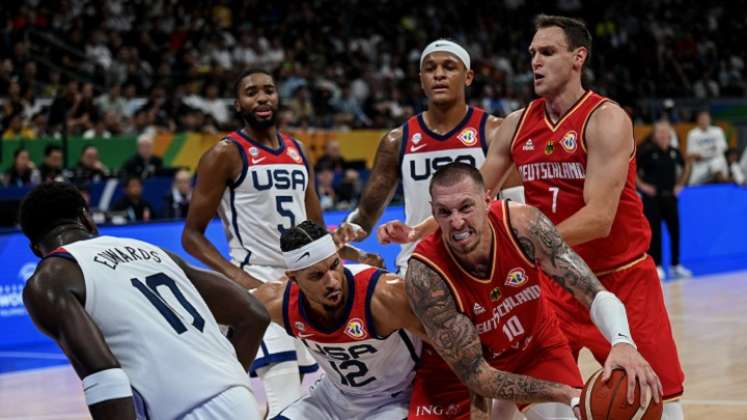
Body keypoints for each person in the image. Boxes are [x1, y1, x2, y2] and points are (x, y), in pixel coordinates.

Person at [391, 15, 686, 419]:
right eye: (532, 53)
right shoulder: (516, 124)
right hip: (553, 282)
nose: (535, 62)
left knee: (656, 400)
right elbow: (475, 194)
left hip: (621, 275)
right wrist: (417, 228)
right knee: (522, 400)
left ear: (578, 57)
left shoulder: (605, 119)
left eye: (547, 52)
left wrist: (526, 246)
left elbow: (599, 218)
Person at [182, 68, 374, 418]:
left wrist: (351, 253)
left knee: (296, 397)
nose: (262, 98)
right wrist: (240, 279)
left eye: (268, 90)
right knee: (285, 392)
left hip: (303, 285)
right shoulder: (224, 154)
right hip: (258, 284)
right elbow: (191, 236)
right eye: (251, 92)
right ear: (238, 104)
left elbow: (314, 230)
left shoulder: (298, 149)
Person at [406, 163, 661, 420]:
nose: (457, 222)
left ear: (487, 200)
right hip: (466, 370)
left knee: (575, 413)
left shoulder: (522, 224)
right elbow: (476, 375)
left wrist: (623, 342)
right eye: (444, 212)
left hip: (537, 348)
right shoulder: (425, 275)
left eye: (465, 207)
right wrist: (561, 391)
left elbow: (592, 291)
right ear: (433, 213)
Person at [18, 182, 270, 420]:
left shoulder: (48, 280)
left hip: (176, 411)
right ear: (86, 218)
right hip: (239, 400)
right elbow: (254, 314)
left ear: (34, 249)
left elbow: (105, 377)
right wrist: (227, 380)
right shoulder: (153, 251)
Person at [346, 39, 523, 275]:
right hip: (420, 265)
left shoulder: (495, 131)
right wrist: (334, 237)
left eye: (449, 67)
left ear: (468, 77)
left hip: (483, 263)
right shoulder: (397, 140)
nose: (439, 75)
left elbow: (515, 205)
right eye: (430, 69)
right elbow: (365, 216)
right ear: (421, 80)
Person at [253, 221, 424, 419]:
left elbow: (454, 344)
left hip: (394, 400)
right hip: (332, 398)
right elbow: (226, 320)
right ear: (294, 278)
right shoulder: (278, 301)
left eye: (335, 265)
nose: (332, 281)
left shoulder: (384, 295)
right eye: (317, 276)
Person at [637, 121, 693, 280]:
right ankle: (658, 265)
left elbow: (686, 166)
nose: (663, 135)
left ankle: (675, 265)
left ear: (670, 135)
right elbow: (632, 169)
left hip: (670, 197)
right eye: (660, 132)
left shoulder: (674, 152)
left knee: (675, 231)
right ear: (654, 135)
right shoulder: (647, 152)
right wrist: (643, 186)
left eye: (666, 132)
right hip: (653, 198)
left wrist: (680, 184)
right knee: (655, 233)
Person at [686, 110, 729, 185]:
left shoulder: (717, 131)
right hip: (700, 164)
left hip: (716, 160)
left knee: (716, 165)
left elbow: (722, 149)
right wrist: (710, 151)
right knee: (692, 184)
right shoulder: (692, 134)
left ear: (710, 120)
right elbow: (692, 154)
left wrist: (702, 154)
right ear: (697, 121)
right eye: (701, 119)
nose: (704, 121)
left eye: (706, 119)